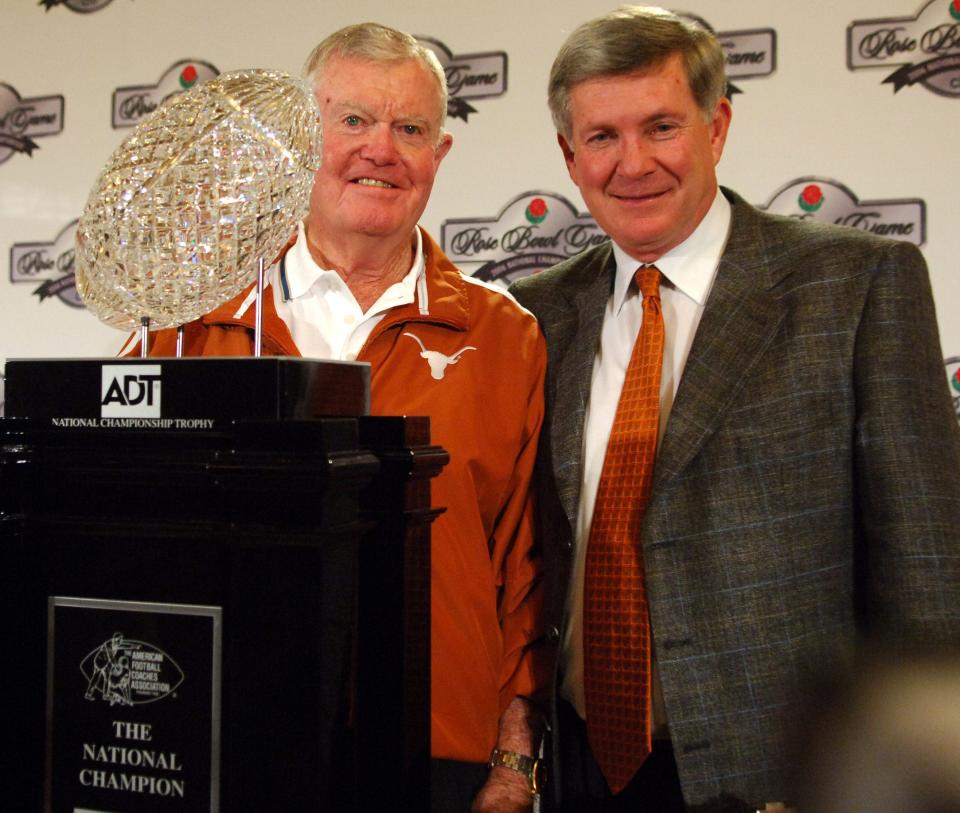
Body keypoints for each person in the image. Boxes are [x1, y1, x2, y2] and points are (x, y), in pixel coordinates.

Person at [509, 6, 960, 811]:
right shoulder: (534, 313)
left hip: (785, 770)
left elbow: (925, 569)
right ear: (568, 156)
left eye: (661, 127)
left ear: (716, 127)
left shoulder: (856, 283)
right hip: (580, 766)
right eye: (603, 137)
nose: (633, 163)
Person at [137, 23, 547, 812]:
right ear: (301, 138)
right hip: (225, 740)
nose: (380, 150)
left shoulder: (505, 335)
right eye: (352, 120)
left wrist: (514, 762)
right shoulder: (185, 326)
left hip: (440, 758)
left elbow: (525, 568)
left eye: (410, 129)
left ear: (440, 154)